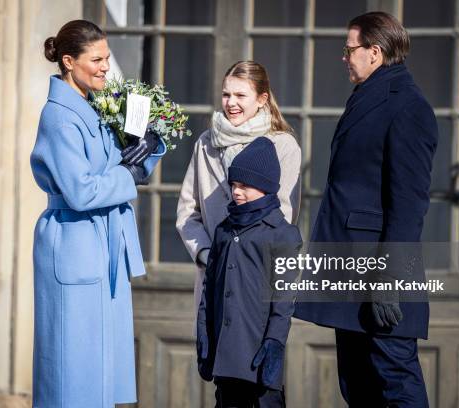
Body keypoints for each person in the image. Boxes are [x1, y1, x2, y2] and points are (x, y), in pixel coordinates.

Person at [293, 12, 438, 407]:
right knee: (357, 383)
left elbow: (409, 202)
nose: (344, 57)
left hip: (377, 269)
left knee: (396, 379)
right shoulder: (370, 94)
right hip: (348, 267)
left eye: (350, 49)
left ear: (374, 52)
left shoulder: (408, 106)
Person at [30, 20, 166, 408]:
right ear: (69, 62)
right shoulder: (59, 116)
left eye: (107, 57)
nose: (107, 66)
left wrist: (149, 143)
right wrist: (132, 173)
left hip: (103, 243)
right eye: (98, 59)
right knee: (71, 369)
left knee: (102, 368)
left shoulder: (96, 103)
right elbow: (82, 190)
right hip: (74, 243)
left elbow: (127, 162)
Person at [177, 61, 302, 317]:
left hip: (255, 276)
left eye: (240, 95)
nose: (231, 102)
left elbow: (284, 216)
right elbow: (188, 211)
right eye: (226, 94)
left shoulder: (283, 146)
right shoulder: (206, 143)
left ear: (261, 99)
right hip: (212, 276)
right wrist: (205, 255)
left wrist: (244, 259)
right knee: (209, 353)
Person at [196, 137, 302, 407]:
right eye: (233, 184)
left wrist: (274, 342)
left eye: (244, 185)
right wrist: (205, 334)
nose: (236, 192)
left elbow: (284, 299)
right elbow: (210, 290)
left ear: (266, 188)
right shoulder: (223, 230)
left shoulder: (282, 235)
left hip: (257, 359)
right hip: (225, 359)